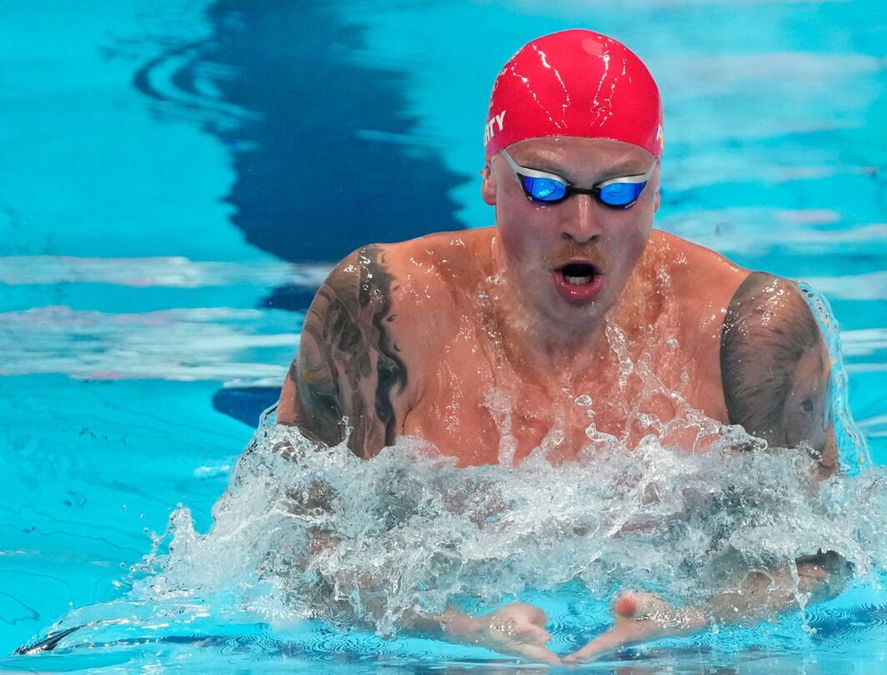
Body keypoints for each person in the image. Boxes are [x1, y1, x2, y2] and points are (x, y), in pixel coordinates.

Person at [275, 29, 845, 664]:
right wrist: (454, 633)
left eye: (620, 192)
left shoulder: (747, 329)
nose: (582, 224)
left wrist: (699, 621)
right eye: (545, 187)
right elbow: (294, 550)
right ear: (491, 178)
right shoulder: (382, 313)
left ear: (656, 192)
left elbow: (822, 557)